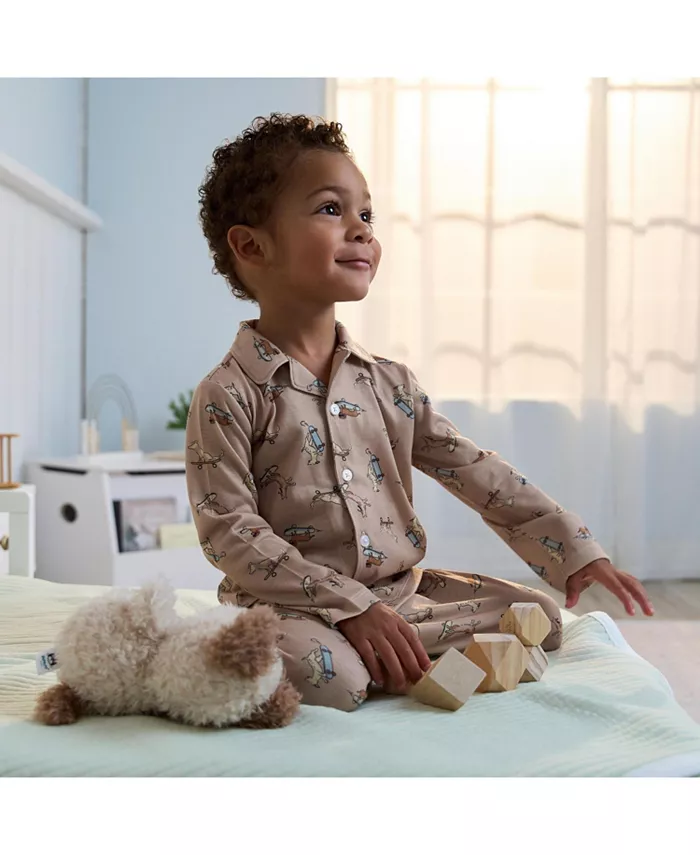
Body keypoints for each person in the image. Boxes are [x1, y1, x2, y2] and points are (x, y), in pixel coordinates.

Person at [186, 113, 654, 712]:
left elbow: (475, 470)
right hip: (288, 605)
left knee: (538, 617)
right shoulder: (228, 393)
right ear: (253, 246)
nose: (361, 229)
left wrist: (575, 547)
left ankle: (394, 650)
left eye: (367, 214)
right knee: (334, 680)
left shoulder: (390, 384)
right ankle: (364, 655)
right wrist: (349, 606)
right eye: (331, 209)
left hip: (400, 596)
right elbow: (229, 532)